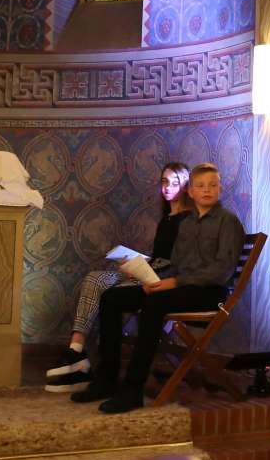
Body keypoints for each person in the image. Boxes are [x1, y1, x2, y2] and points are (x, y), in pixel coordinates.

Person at [75, 162, 244, 412]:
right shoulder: (186, 225)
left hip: (209, 293)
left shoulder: (228, 222)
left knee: (155, 304)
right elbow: (175, 264)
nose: (206, 190)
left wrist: (173, 283)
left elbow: (221, 272)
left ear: (220, 188)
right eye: (200, 186)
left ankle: (132, 389)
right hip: (180, 288)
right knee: (112, 297)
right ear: (192, 192)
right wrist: (152, 282)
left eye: (212, 185)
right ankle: (107, 379)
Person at [46, 162, 193, 391]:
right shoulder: (167, 219)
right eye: (164, 182)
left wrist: (147, 269)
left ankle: (86, 363)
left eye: (175, 183)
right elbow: (159, 257)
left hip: (160, 280)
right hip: (148, 272)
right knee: (95, 278)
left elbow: (179, 263)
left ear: (185, 187)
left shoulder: (188, 220)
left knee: (110, 295)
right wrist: (134, 262)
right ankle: (76, 350)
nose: (167, 187)